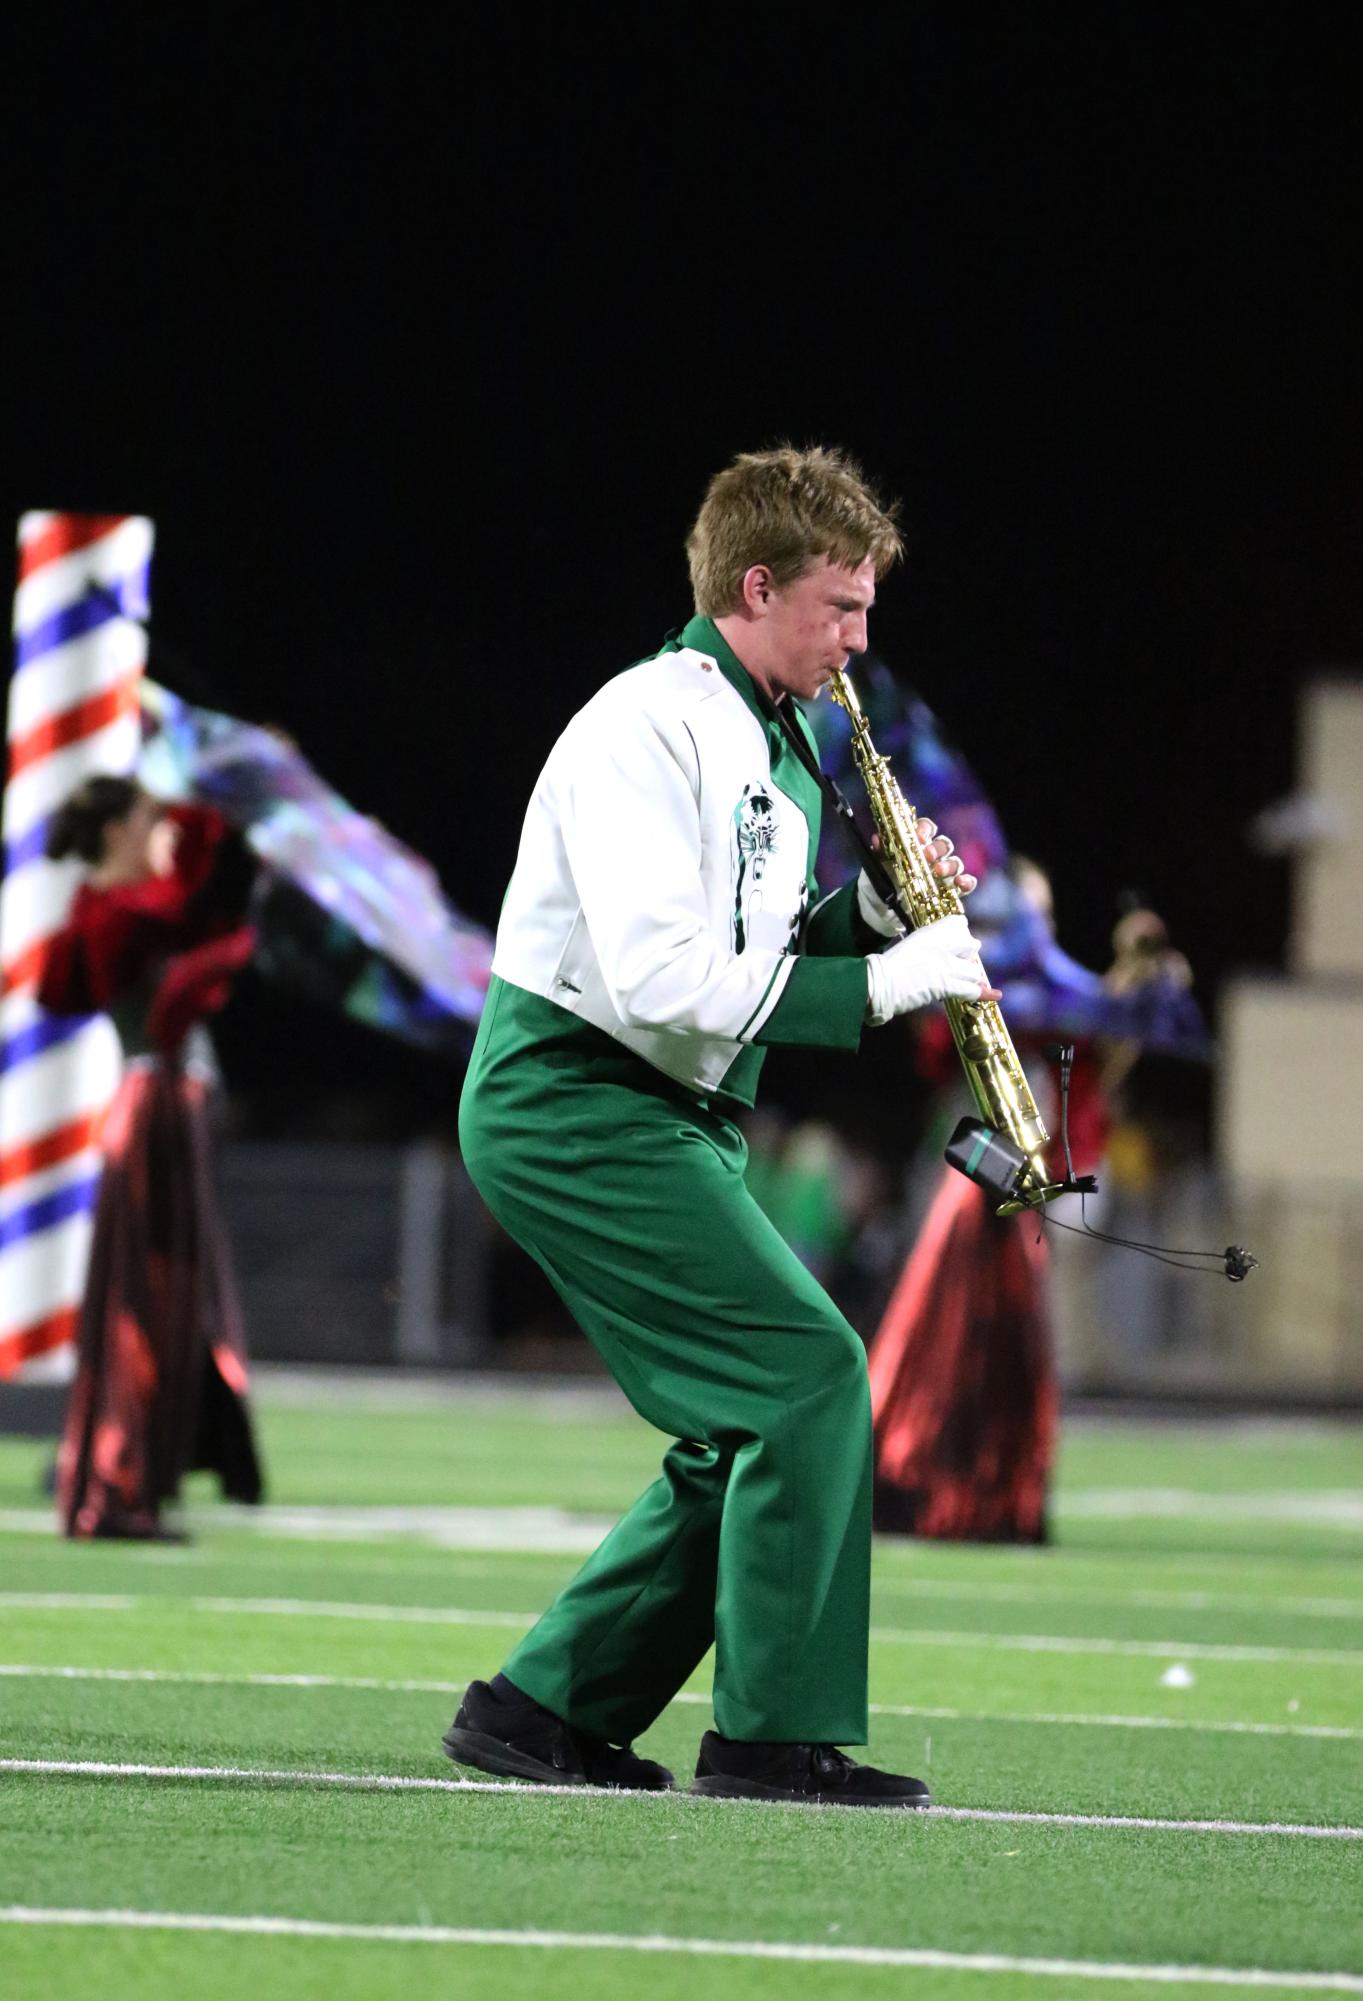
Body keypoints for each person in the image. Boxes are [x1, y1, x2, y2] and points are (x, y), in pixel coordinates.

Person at [444, 445, 994, 1808]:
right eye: (839, 607)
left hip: (668, 1110)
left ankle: (541, 1708)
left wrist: (865, 920)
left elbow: (745, 942)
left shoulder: (773, 740)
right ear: (755, 587)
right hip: (574, 1096)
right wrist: (883, 986)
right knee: (805, 1373)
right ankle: (767, 1740)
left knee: (741, 1419)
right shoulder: (647, 723)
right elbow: (661, 984)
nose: (860, 639)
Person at [38, 775, 264, 1539]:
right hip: (155, 1109)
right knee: (144, 1302)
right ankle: (115, 1483)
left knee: (161, 1300)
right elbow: (195, 899)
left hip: (160, 1105)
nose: (162, 834)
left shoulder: (108, 909)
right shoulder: (119, 910)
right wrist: (209, 809)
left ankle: (129, 1478)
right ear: (113, 836)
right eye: (147, 822)